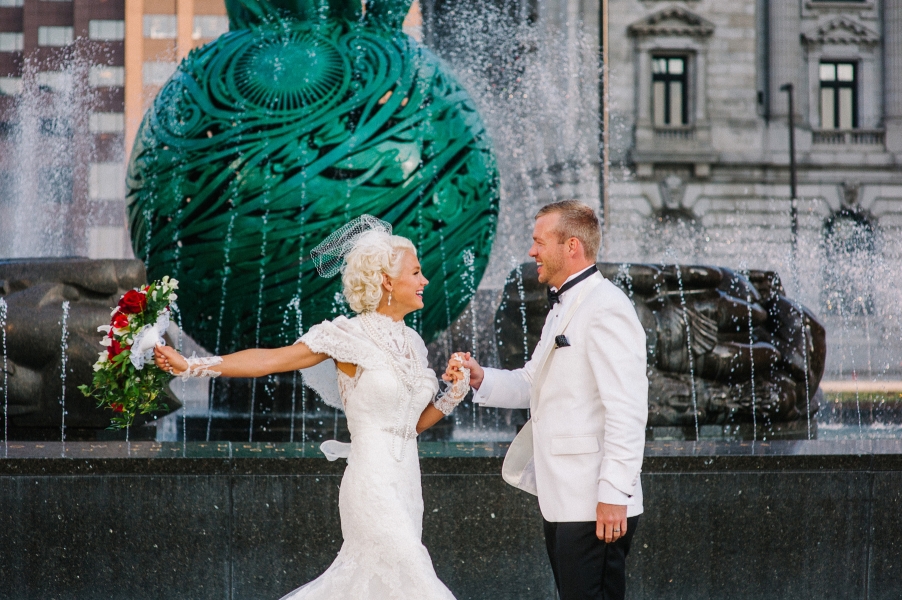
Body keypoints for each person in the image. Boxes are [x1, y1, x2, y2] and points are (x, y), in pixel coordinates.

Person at [154, 216, 470, 600]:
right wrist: (193, 365)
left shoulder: (415, 343)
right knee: (419, 583)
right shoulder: (345, 335)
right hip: (371, 485)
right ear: (387, 281)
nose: (425, 282)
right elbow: (270, 360)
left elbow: (412, 426)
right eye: (417, 272)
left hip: (407, 486)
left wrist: (453, 392)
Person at [450, 201, 648, 600]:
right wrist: (481, 378)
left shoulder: (607, 308)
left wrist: (613, 494)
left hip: (595, 505)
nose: (532, 251)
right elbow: (530, 382)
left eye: (539, 242)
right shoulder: (563, 307)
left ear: (571, 245)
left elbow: (627, 409)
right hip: (562, 501)